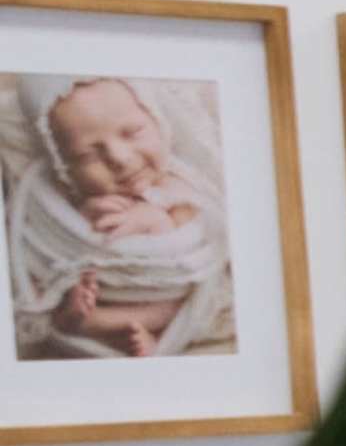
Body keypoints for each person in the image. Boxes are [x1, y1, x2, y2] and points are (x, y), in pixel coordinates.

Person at [8, 76, 232, 359]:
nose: (120, 158)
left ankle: (149, 340)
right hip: (104, 296)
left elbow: (198, 231)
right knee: (67, 303)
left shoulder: (176, 183)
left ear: (158, 123)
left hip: (168, 300)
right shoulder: (71, 197)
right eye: (88, 155)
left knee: (174, 309)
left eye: (132, 132)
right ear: (65, 169)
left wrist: (154, 220)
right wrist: (87, 218)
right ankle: (74, 318)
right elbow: (61, 243)